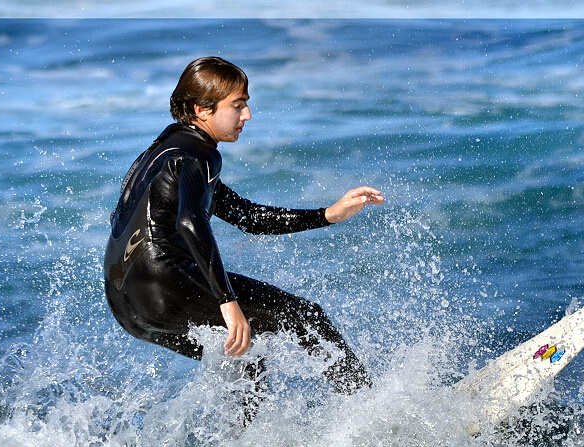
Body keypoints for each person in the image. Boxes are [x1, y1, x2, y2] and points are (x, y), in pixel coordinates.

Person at [104, 56, 384, 398]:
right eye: (237, 106)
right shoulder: (200, 155)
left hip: (127, 305)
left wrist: (329, 214)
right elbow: (190, 221)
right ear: (202, 109)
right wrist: (228, 302)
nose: (247, 115)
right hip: (164, 284)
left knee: (247, 348)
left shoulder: (166, 150)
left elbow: (247, 217)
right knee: (303, 315)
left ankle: (241, 446)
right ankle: (370, 404)